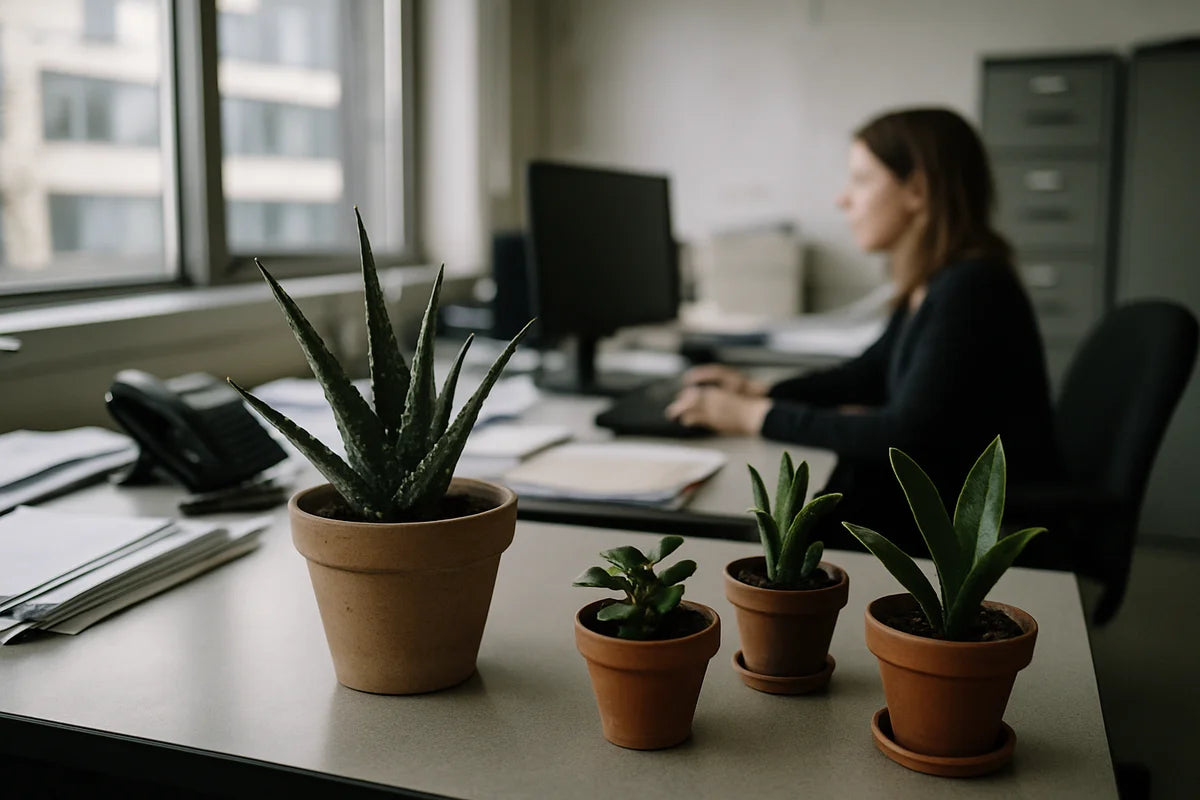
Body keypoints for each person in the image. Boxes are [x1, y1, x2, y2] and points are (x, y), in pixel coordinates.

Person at [665, 107, 1060, 554]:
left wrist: (750, 417)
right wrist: (763, 391)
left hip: (959, 524)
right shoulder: (938, 281)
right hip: (932, 493)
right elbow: (869, 373)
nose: (843, 199)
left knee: (770, 529)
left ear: (917, 189)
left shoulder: (972, 288)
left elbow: (903, 435)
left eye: (861, 180)